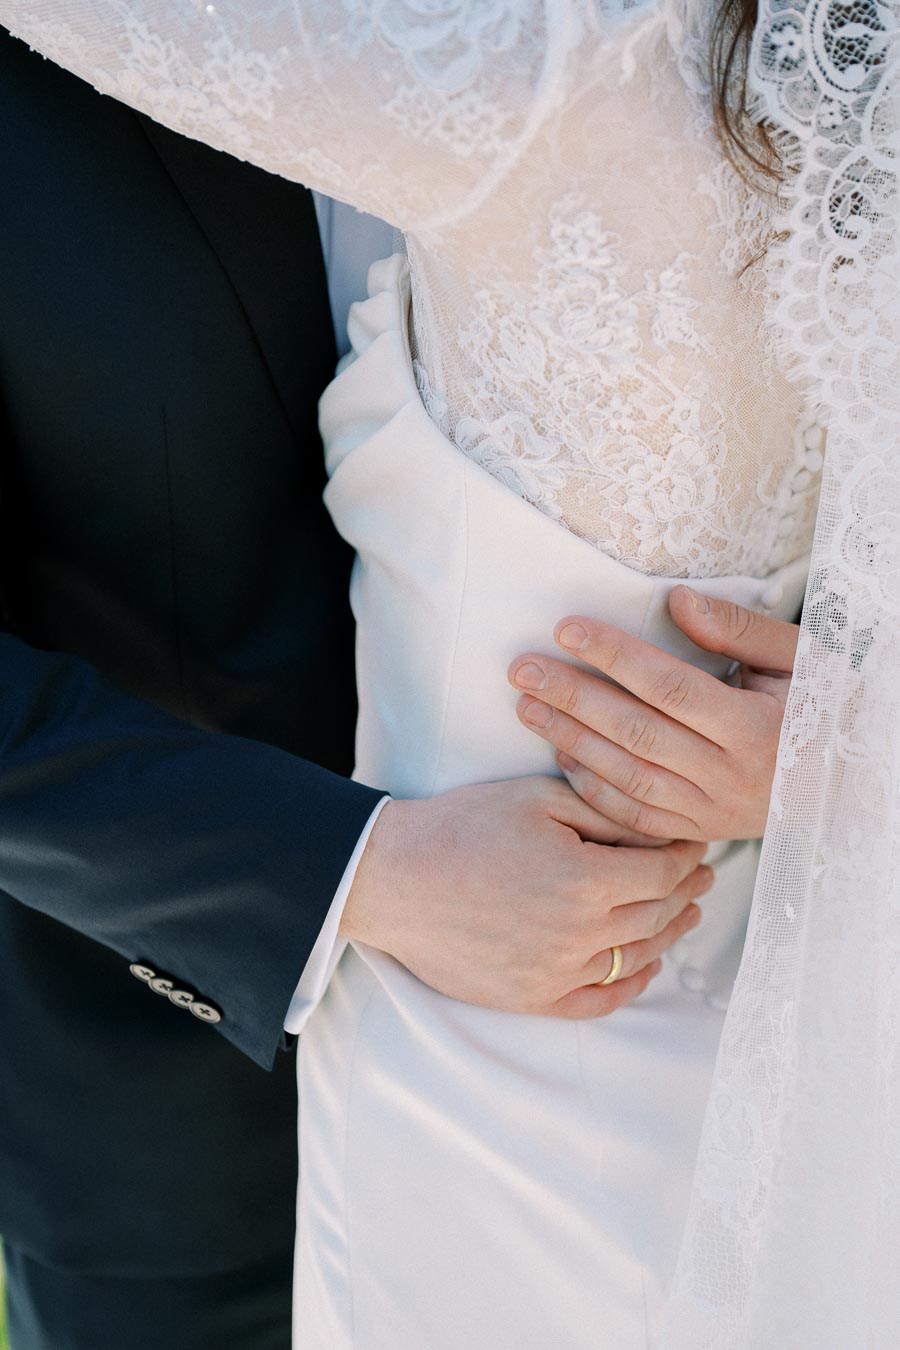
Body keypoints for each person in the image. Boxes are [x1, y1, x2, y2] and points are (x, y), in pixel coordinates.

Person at [4, 1, 896, 1347]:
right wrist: (356, 870)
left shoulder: (750, 55)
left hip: (749, 1092)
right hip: (180, 1147)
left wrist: (856, 744)